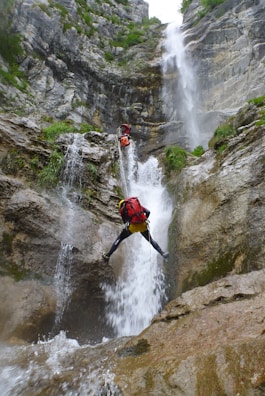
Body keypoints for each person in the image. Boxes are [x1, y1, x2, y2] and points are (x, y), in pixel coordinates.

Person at [102, 197, 169, 262]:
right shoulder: (137, 206)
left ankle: (107, 256)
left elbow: (125, 222)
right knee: (151, 240)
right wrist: (144, 219)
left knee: (120, 238)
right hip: (143, 225)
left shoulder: (123, 209)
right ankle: (162, 253)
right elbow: (148, 212)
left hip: (133, 227)